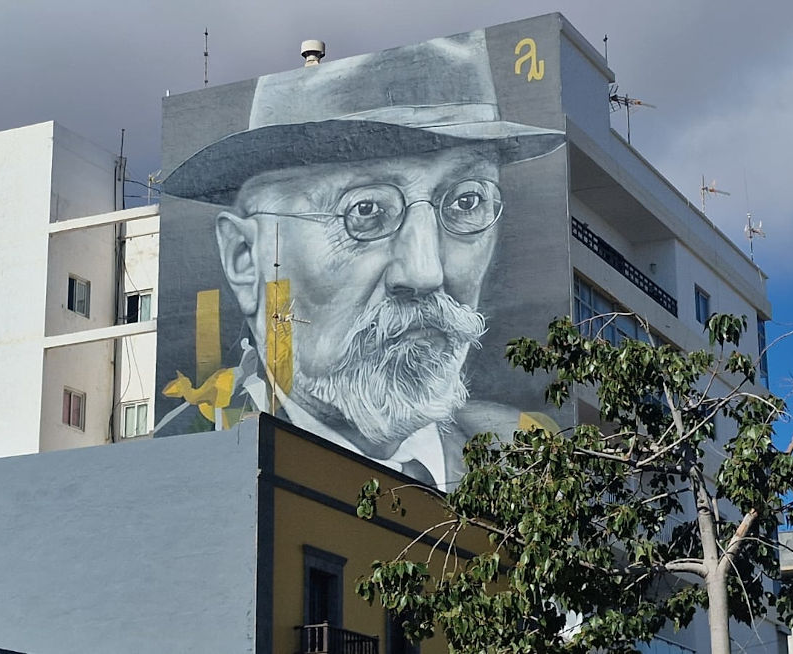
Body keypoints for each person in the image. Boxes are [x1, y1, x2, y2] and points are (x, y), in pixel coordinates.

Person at [162, 31, 563, 486]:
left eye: (466, 202)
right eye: (366, 211)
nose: (425, 272)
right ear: (246, 257)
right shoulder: (183, 467)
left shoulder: (524, 460)